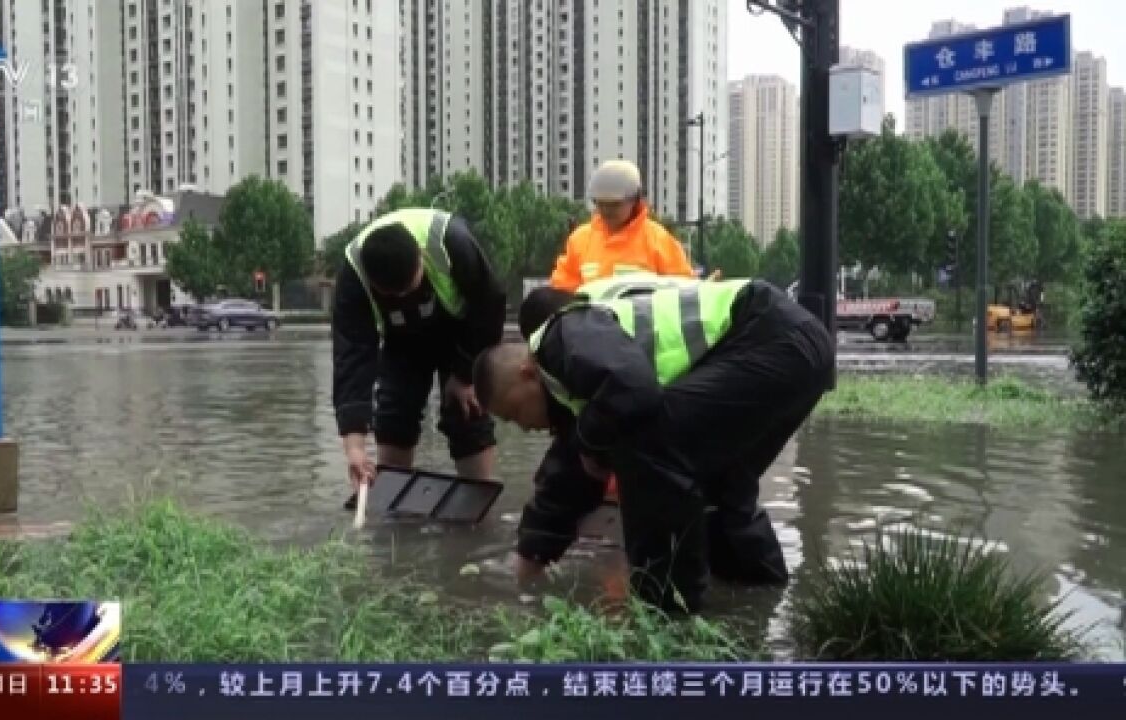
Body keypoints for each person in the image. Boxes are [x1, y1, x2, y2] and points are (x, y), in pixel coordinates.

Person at [473, 276, 835, 612]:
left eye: (514, 412)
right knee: (720, 483)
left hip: (773, 338)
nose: (524, 426)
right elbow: (567, 472)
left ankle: (667, 614)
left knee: (643, 443)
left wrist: (589, 443)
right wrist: (532, 553)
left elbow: (633, 392)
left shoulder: (564, 335)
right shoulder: (576, 380)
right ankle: (760, 601)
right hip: (797, 349)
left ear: (526, 373)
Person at [333, 207, 506, 488]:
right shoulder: (353, 277)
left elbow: (490, 305)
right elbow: (352, 358)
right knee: (393, 411)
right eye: (394, 295)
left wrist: (465, 375)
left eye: (410, 288)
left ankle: (479, 495)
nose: (405, 298)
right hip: (402, 341)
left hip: (460, 332)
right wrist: (354, 447)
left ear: (421, 256)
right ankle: (393, 501)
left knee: (466, 411)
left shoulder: (452, 241)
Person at [549, 160, 694, 290]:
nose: (606, 211)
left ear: (634, 200)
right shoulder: (580, 240)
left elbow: (682, 289)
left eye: (614, 205)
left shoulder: (658, 240)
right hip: (592, 320)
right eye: (601, 204)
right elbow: (563, 287)